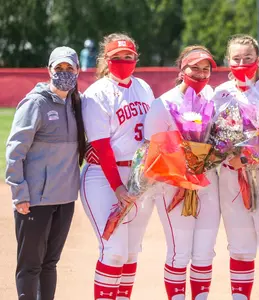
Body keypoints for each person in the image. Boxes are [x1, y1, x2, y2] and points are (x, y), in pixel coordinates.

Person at [6, 46, 86, 300]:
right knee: (30, 265)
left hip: (64, 200)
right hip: (35, 201)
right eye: (58, 68)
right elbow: (15, 150)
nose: (64, 73)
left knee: (50, 263)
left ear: (77, 71)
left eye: (69, 68)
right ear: (48, 70)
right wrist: (20, 193)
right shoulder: (35, 103)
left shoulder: (76, 104)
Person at [80, 33, 155, 300]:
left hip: (138, 178)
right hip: (104, 178)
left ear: (136, 58)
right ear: (106, 59)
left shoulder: (144, 88)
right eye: (116, 57)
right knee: (114, 251)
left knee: (132, 250)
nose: (123, 61)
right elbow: (101, 147)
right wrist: (119, 187)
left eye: (128, 57)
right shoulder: (97, 93)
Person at [214, 34, 259, 300]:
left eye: (248, 58)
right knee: (240, 247)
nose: (242, 62)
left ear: (258, 60)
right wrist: (224, 154)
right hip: (232, 177)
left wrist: (249, 155)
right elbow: (210, 137)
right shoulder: (220, 93)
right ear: (228, 61)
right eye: (236, 59)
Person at [143, 45, 219, 300]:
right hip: (171, 185)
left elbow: (222, 140)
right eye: (194, 67)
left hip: (207, 184)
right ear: (182, 68)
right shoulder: (163, 103)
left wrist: (202, 164)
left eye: (205, 68)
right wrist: (183, 169)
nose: (199, 73)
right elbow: (150, 150)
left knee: (204, 252)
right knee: (179, 251)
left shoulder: (212, 98)